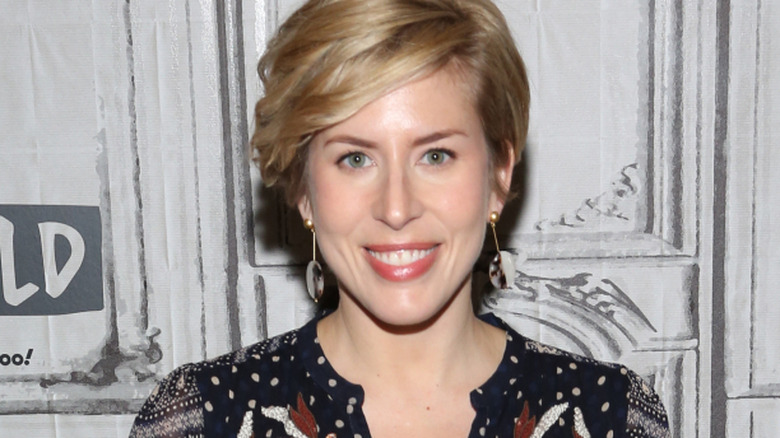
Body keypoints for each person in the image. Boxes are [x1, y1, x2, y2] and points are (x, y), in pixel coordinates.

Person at [129, 0, 670, 437]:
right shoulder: (204, 418)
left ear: (499, 175)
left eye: (435, 156)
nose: (396, 208)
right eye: (355, 159)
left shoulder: (612, 417)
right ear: (303, 190)